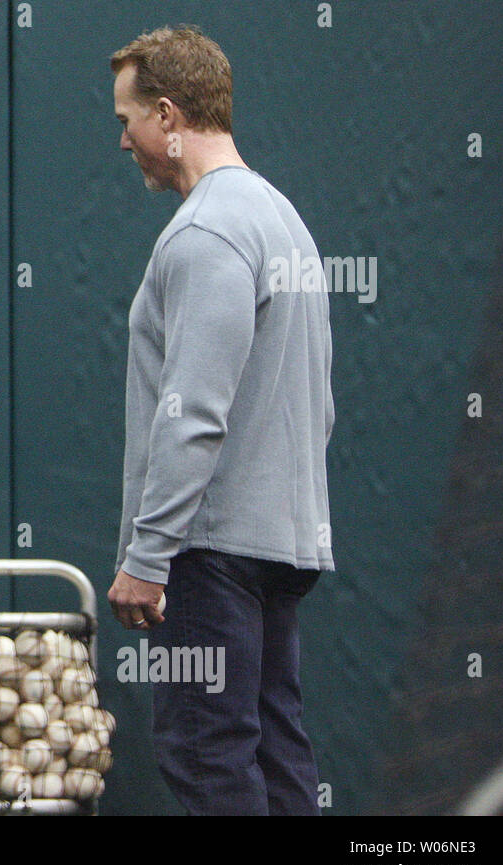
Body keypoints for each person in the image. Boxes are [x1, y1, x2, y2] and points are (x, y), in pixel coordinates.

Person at [104, 27, 335, 815]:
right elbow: (320, 405)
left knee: (208, 756)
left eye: (128, 119)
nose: (124, 140)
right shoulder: (283, 221)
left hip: (209, 557)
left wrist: (149, 552)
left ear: (168, 116)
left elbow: (193, 411)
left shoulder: (205, 233)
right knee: (275, 756)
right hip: (280, 547)